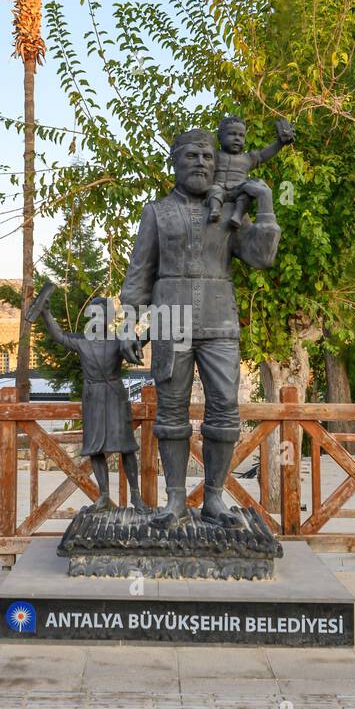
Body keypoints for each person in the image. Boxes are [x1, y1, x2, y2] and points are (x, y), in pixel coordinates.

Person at [120, 128, 281, 526]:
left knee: (225, 407)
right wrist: (127, 324)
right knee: (171, 411)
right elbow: (140, 272)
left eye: (208, 158)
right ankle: (175, 500)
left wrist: (265, 201)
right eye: (191, 156)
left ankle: (213, 499)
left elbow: (262, 258)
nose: (201, 164)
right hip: (170, 321)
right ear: (174, 162)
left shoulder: (230, 210)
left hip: (219, 320)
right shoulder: (156, 212)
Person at [35, 295, 147, 513]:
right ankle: (104, 496)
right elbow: (59, 336)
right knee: (95, 448)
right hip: (93, 396)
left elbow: (140, 340)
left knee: (126, 446)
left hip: (115, 395)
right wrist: (46, 312)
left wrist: (150, 322)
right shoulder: (82, 342)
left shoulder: (119, 340)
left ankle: (136, 495)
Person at [205, 115, 295, 229]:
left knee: (247, 195)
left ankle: (237, 216)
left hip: (239, 190)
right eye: (232, 134)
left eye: (241, 135)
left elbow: (263, 155)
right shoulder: (213, 156)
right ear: (219, 137)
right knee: (213, 190)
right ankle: (215, 210)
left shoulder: (247, 158)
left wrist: (280, 143)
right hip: (219, 187)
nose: (237, 138)